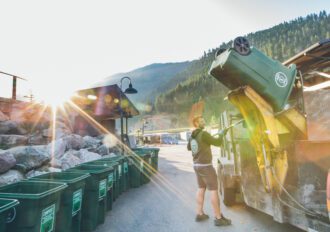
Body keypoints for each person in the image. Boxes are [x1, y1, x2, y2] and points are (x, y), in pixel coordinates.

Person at [187, 115, 232, 226]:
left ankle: (199, 213)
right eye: (201, 121)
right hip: (206, 166)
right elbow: (217, 142)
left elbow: (189, 148)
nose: (203, 122)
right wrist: (221, 134)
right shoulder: (204, 134)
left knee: (201, 188)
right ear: (196, 124)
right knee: (213, 190)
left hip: (197, 165)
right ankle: (218, 217)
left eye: (203, 120)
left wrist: (205, 141)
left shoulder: (192, 136)